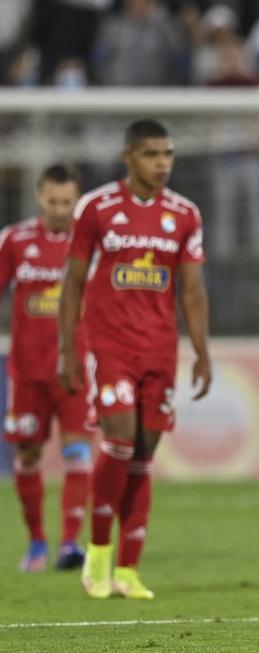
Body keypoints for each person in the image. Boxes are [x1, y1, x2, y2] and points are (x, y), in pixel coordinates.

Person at [61, 119, 212, 600]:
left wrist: (203, 352)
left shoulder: (185, 214)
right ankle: (98, 552)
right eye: (151, 154)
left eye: (167, 153)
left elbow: (192, 289)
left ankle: (128, 570)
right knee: (120, 440)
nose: (162, 162)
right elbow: (73, 283)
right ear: (128, 158)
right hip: (109, 344)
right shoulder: (97, 208)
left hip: (159, 349)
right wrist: (68, 349)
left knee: (144, 456)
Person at [3, 164, 93, 573]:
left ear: (76, 200)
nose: (59, 209)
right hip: (27, 374)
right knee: (28, 455)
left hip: (72, 370)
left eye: (66, 202)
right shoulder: (15, 240)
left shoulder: (91, 243)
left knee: (77, 452)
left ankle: (70, 544)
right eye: (52, 201)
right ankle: (37, 542)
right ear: (40, 197)